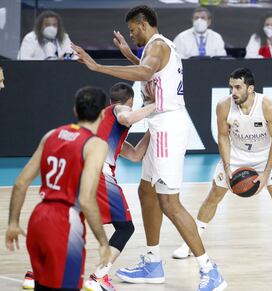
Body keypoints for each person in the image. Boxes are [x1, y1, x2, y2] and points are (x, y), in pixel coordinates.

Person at [71, 5, 227, 291]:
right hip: (158, 124)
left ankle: (209, 269)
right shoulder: (159, 49)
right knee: (146, 190)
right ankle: (153, 262)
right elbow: (148, 72)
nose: (132, 36)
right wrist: (129, 56)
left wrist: (96, 66)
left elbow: (145, 69)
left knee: (169, 201)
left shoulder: (156, 47)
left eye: (132, 31)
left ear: (143, 25)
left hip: (167, 126)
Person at [172, 68, 272, 268]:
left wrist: (266, 173)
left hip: (265, 154)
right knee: (213, 196)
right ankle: (191, 243)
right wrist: (227, 167)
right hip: (236, 154)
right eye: (231, 87)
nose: (233, 91)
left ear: (250, 89)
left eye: (237, 87)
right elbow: (223, 136)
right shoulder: (223, 106)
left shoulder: (268, 106)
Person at [5, 87, 111, 290]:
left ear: (75, 109)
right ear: (103, 113)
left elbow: (20, 183)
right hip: (65, 223)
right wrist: (103, 242)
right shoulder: (95, 145)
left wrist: (13, 223)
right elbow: (87, 200)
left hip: (38, 218)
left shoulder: (51, 135)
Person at [83, 82, 155, 291]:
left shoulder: (104, 123)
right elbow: (127, 117)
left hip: (81, 171)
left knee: (70, 224)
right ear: (130, 102)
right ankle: (99, 276)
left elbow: (134, 155)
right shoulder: (119, 110)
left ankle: (36, 273)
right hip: (99, 172)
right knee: (125, 227)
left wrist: (152, 130)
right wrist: (156, 104)